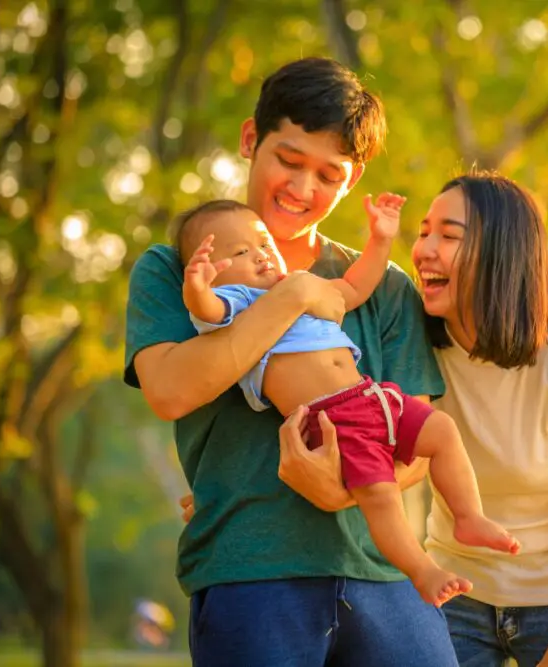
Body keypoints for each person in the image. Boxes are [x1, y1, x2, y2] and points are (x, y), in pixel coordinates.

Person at [124, 57, 461, 666]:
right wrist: (290, 297)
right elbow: (170, 391)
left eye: (328, 175)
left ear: (352, 181)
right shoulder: (179, 267)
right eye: (289, 159)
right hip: (249, 570)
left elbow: (416, 433)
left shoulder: (382, 286)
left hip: (383, 571)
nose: (303, 189)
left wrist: (342, 491)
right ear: (252, 139)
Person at [277, 171, 548, 667]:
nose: (424, 250)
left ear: (502, 253)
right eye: (423, 232)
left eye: (450, 236)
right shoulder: (415, 350)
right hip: (456, 590)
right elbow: (329, 400)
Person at [175, 198, 518, 606]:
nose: (261, 256)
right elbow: (207, 309)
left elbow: (356, 286)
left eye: (264, 244)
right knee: (381, 495)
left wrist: (380, 239)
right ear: (218, 273)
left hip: (372, 397)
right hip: (333, 422)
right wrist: (196, 285)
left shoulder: (300, 285)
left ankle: (468, 516)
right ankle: (421, 570)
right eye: (240, 252)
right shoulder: (240, 303)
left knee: (442, 430)